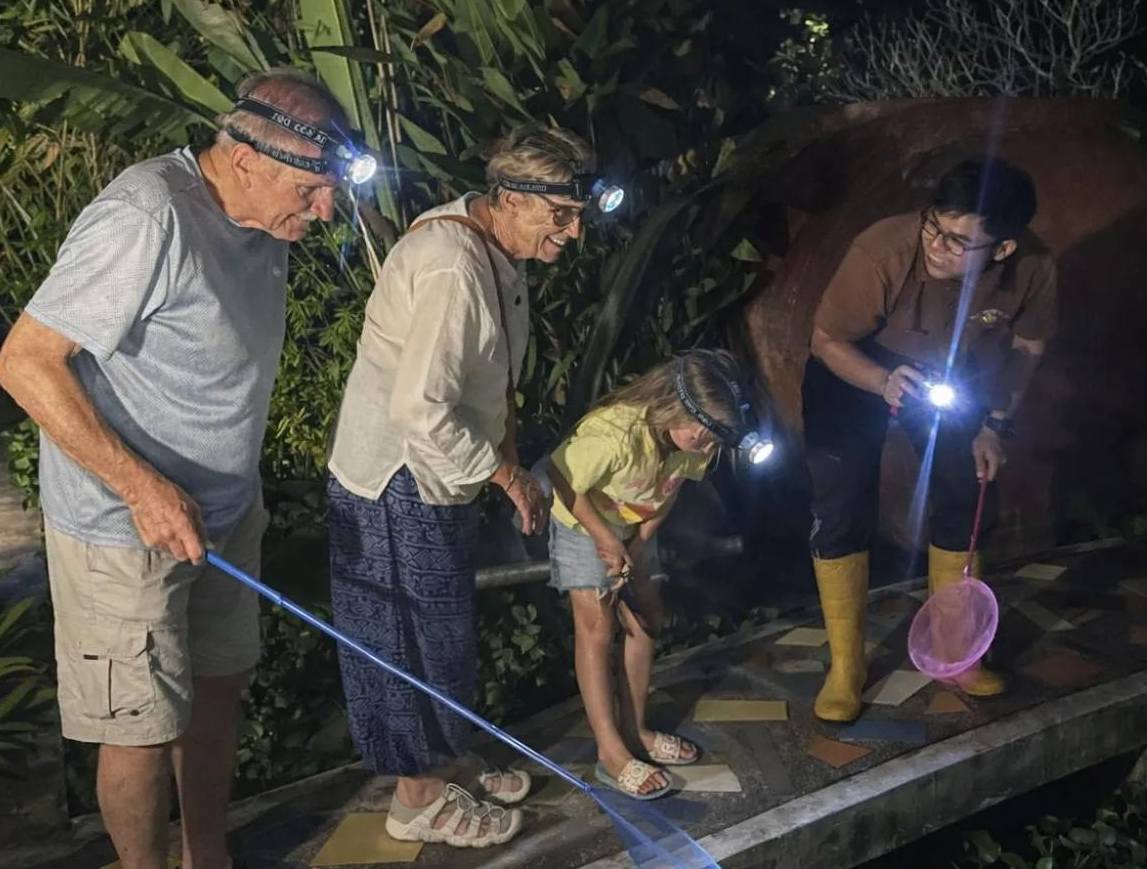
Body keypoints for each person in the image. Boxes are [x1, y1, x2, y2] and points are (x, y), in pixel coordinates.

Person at [0, 68, 354, 869]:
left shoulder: (266, 217)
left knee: (218, 689)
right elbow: (25, 363)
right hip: (126, 530)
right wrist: (142, 489)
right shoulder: (147, 215)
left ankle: (208, 857)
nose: (324, 211)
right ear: (248, 159)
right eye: (312, 189)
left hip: (226, 510)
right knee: (141, 729)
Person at [324, 123, 596, 848]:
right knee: (411, 637)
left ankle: (439, 757)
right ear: (508, 198)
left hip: (440, 471)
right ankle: (416, 798)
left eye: (577, 216)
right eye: (557, 215)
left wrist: (501, 467)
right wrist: (506, 471)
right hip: (397, 479)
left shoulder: (490, 243)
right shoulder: (453, 266)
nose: (570, 234)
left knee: (441, 631)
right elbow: (420, 407)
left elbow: (492, 378)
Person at [802, 156, 1057, 722]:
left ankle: (956, 652)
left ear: (1004, 249)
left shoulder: (1032, 270)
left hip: (949, 374)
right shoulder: (884, 251)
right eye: (935, 227)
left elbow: (1027, 350)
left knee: (965, 491)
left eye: (959, 241)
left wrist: (996, 424)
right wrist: (879, 381)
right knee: (841, 506)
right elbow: (825, 339)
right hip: (857, 366)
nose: (937, 247)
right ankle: (847, 667)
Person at [540, 350, 757, 799]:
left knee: (646, 617)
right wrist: (604, 538)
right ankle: (610, 752)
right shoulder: (615, 434)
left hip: (632, 523)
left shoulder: (694, 443)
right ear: (677, 409)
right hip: (581, 519)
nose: (708, 447)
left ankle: (635, 729)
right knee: (597, 626)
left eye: (716, 440)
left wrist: (637, 545)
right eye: (705, 436)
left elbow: (669, 493)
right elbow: (560, 478)